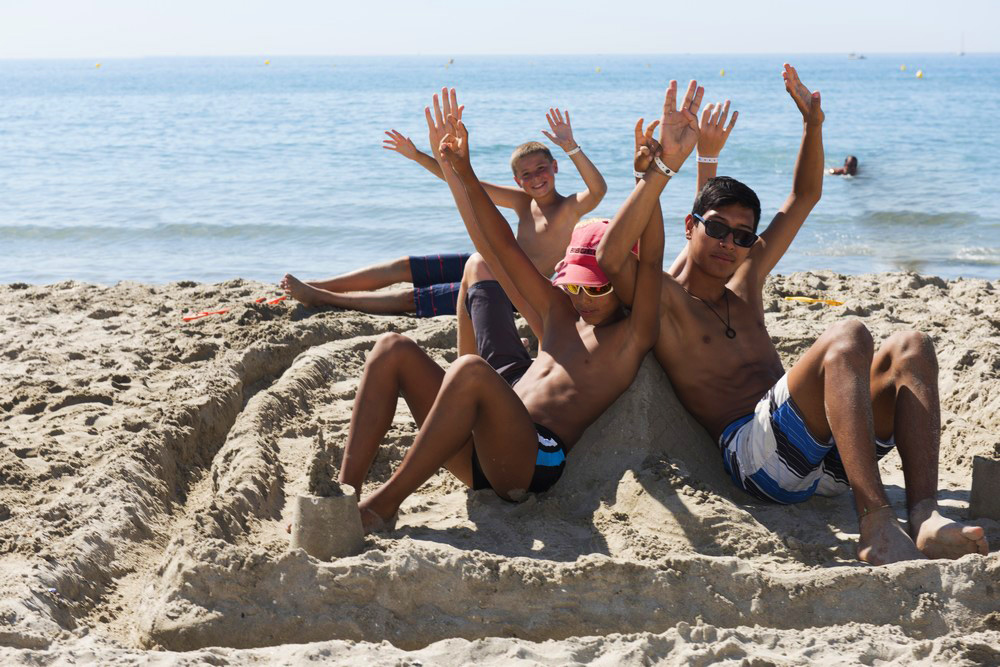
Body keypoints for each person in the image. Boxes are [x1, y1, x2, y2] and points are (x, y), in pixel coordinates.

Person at [598, 64, 988, 566]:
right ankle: (875, 522)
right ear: (691, 226)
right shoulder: (669, 301)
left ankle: (926, 516)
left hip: (825, 455)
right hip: (759, 461)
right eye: (717, 229)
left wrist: (812, 124)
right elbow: (611, 261)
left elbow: (804, 196)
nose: (729, 244)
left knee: (911, 345)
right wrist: (661, 169)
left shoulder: (745, 281)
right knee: (847, 335)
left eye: (743, 236)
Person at [337, 88, 667, 532]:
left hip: (533, 461)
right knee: (392, 348)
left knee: (471, 369)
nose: (582, 298)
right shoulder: (559, 314)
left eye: (595, 288)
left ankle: (381, 507)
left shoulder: (632, 335)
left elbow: (649, 261)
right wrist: (462, 167)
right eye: (573, 285)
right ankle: (342, 497)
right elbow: (497, 246)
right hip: (483, 448)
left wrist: (654, 178)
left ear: (620, 282)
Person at [280, 95, 608, 340]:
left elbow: (598, 189)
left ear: (554, 168)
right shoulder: (522, 202)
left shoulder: (569, 207)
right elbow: (467, 185)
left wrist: (571, 146)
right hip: (485, 261)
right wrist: (419, 155)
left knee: (411, 299)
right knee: (405, 266)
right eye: (527, 174)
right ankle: (317, 284)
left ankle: (322, 297)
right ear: (517, 180)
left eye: (542, 169)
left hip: (508, 287)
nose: (536, 178)